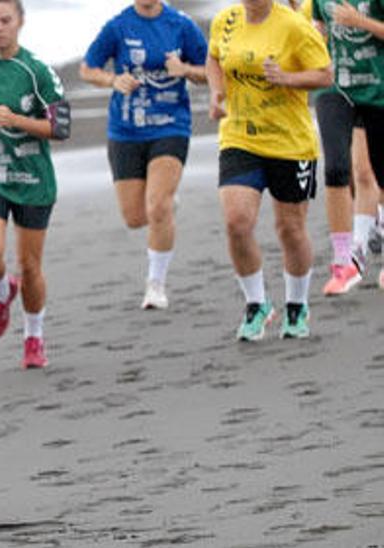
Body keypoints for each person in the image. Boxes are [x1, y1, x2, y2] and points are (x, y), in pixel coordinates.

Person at [0, 0, 72, 368]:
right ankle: (4, 292)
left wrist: (19, 120)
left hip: (33, 179)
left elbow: (62, 128)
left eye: (5, 21)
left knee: (30, 265)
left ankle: (34, 337)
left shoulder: (36, 72)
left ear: (20, 22)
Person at [206, 0, 331, 340]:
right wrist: (217, 91)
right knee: (236, 222)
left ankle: (297, 304)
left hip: (290, 142)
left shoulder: (293, 25)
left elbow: (324, 73)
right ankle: (256, 303)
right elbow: (214, 57)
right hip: (239, 137)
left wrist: (287, 78)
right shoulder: (225, 21)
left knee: (290, 228)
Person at [80, 0, 208, 309]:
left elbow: (212, 71)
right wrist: (113, 80)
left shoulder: (181, 25)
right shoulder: (118, 26)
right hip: (125, 130)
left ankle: (156, 285)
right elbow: (87, 69)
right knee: (135, 217)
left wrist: (186, 70)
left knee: (158, 207)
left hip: (170, 127)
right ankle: (163, 203)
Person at [303, 0, 384, 293]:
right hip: (335, 87)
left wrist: (360, 21)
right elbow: (319, 30)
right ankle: (344, 261)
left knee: (373, 173)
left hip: (378, 88)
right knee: (337, 168)